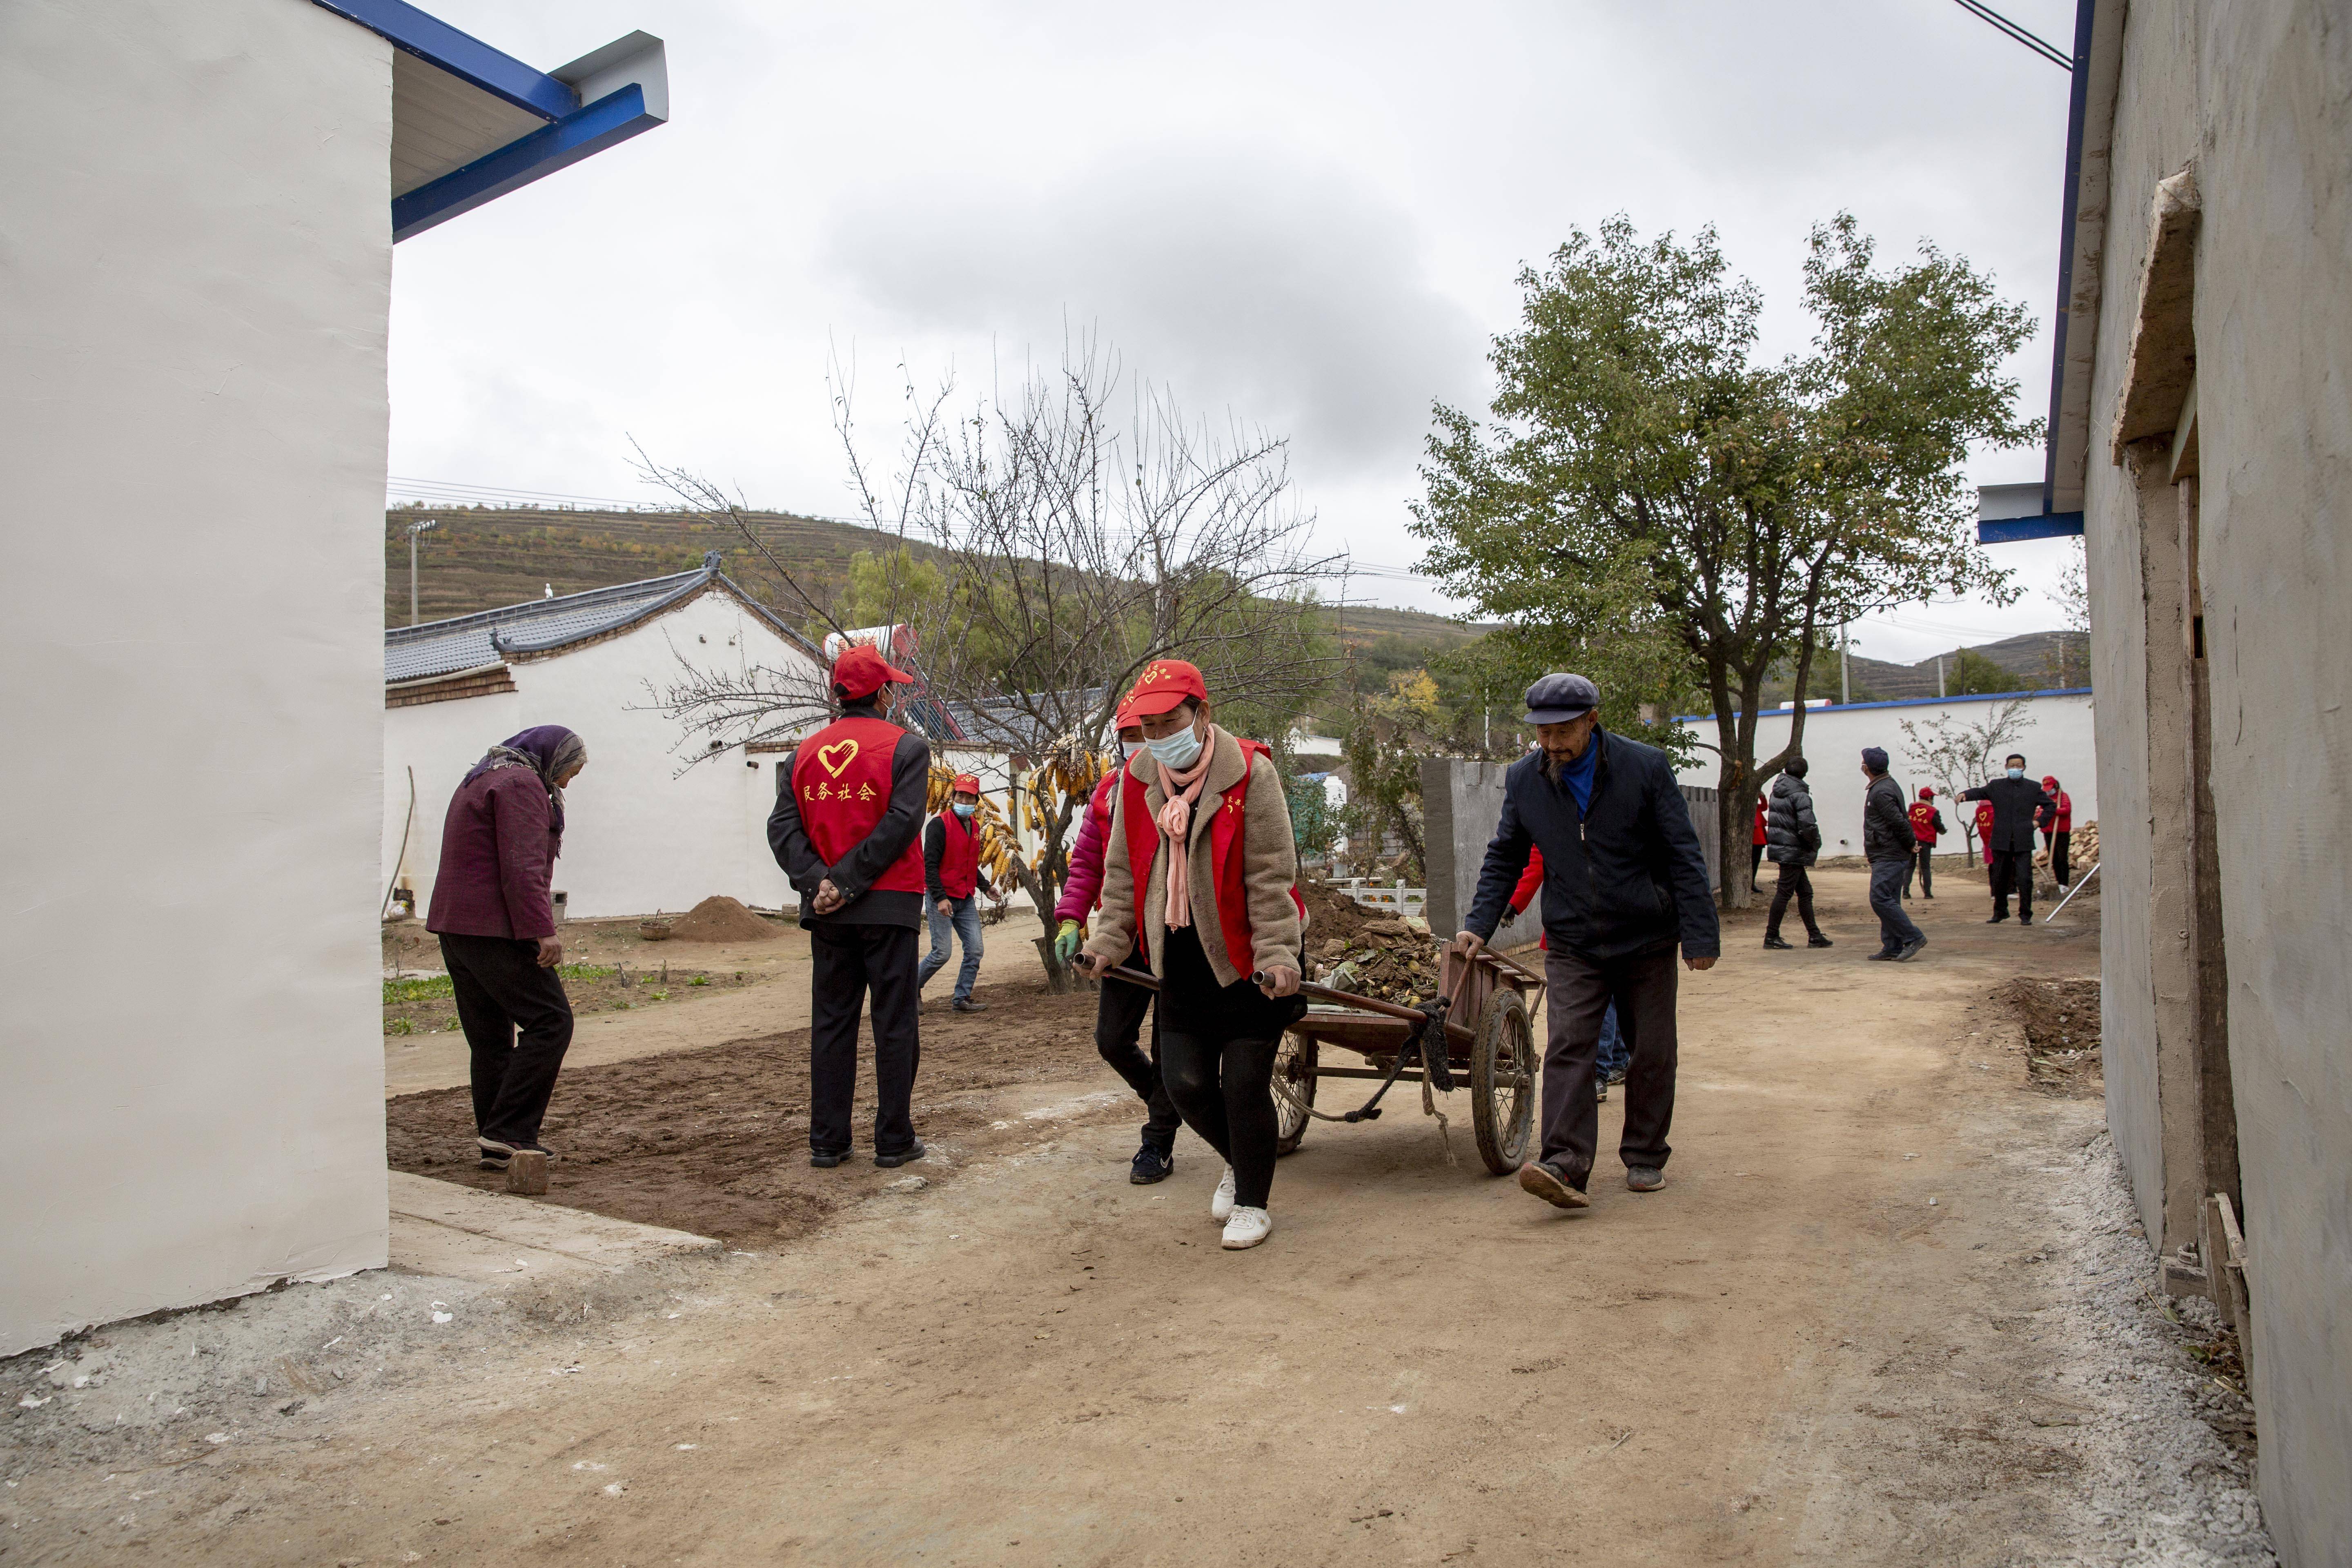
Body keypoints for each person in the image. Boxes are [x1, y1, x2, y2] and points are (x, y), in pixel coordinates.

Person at [1457, 673, 1719, 1210]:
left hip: (1646, 936)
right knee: (1569, 1045)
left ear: (1593, 721)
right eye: (1543, 734)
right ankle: (1565, 1164)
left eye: (1563, 732)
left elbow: (1682, 853)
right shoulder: (1527, 778)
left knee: (1651, 1051)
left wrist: (1699, 934)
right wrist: (1479, 924)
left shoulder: (1643, 767)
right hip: (1575, 939)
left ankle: (1646, 1154)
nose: (1552, 744)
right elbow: (1507, 853)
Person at [1076, 659, 1305, 1251]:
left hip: (1247, 960)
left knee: (1244, 1084)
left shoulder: (1250, 773)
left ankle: (1253, 1202)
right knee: (1185, 1085)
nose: (1157, 736)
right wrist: (1106, 941)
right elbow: (1121, 873)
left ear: (1202, 714)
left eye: (1169, 721)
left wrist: (1279, 954)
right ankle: (1243, 1158)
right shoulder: (1136, 778)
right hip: (1179, 961)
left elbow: (1272, 875)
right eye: (1146, 726)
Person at [768, 644, 933, 1169]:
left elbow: (782, 830)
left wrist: (821, 882)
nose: (895, 695)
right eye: (892, 687)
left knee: (832, 1024)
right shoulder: (908, 748)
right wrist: (849, 881)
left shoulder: (802, 755)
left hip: (828, 913)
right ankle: (893, 1140)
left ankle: (828, 1142)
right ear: (882, 693)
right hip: (889, 907)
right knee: (894, 1023)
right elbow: (903, 823)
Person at [427, 725, 588, 1171]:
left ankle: (497, 1143)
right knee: (551, 1022)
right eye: (570, 772)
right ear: (552, 758)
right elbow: (522, 865)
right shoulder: (521, 784)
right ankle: (511, 1131)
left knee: (492, 1040)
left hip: (456, 928)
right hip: (492, 928)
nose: (568, 783)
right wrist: (543, 930)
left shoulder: (484, 775)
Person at [1054, 703, 1185, 1184]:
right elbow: (1088, 861)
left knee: (1168, 1046)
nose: (1141, 738)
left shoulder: (1191, 783)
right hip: (1124, 938)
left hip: (1175, 935)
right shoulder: (1110, 791)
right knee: (1111, 1040)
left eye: (1150, 729)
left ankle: (1156, 1145)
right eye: (1132, 731)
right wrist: (1070, 917)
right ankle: (1167, 1098)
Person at [1506, 846, 1629, 1094]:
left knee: (1594, 997)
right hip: (1619, 920)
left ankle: (1598, 1073)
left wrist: (1514, 902)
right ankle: (1618, 1061)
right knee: (1611, 993)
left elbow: (1536, 864)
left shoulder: (1556, 815)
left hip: (1581, 927)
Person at [918, 773, 996, 1013]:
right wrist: (940, 898)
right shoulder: (938, 825)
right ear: (953, 796)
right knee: (941, 953)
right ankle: (909, 988)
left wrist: (985, 886)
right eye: (961, 795)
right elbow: (929, 865)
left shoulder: (974, 826)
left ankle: (961, 998)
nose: (965, 800)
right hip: (941, 898)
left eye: (970, 797)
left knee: (975, 950)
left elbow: (969, 863)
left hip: (965, 898)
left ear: (976, 801)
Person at [1960, 754, 2058, 927]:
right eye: (2012, 765)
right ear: (2006, 767)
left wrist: (2038, 822)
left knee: (2024, 879)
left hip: (2023, 840)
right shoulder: (1997, 786)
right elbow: (1980, 792)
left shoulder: (2033, 788)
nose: (2015, 768)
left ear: (2024, 768)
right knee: (1999, 878)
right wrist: (1964, 795)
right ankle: (2000, 912)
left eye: (2018, 765)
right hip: (2001, 840)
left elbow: (2050, 806)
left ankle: (2026, 914)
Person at [1861, 748, 1928, 962]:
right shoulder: (1884, 786)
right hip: (1888, 851)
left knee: (1879, 897)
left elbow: (1899, 822)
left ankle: (1913, 937)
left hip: (1889, 853)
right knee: (1890, 898)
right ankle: (1892, 946)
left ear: (1867, 768)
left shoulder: (1881, 791)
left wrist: (1911, 843)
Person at [1761, 757, 1831, 951]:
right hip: (1793, 850)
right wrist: (1815, 843)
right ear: (1805, 774)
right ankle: (1771, 936)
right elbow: (1807, 825)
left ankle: (1815, 936)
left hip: (1786, 849)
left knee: (1805, 892)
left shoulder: (1779, 791)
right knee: (1784, 893)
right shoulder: (1800, 795)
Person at [1904, 787, 1947, 900]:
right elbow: (1939, 827)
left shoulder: (1912, 807)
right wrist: (1943, 831)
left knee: (1910, 866)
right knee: (1925, 867)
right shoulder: (1933, 811)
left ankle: (1905, 892)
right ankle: (1928, 893)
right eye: (1932, 798)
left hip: (1911, 841)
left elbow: (1907, 821)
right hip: (1926, 842)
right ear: (1929, 798)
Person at [2038, 774, 2074, 888]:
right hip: (2048, 831)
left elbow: (2066, 810)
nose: (2049, 792)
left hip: (2062, 832)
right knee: (2054, 858)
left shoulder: (2063, 796)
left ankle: (2064, 884)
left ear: (2056, 786)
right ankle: (2058, 882)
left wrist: (2052, 810)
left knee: (2062, 858)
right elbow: (2039, 812)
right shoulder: (2044, 798)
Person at [1751, 795, 1768, 893]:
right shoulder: (1745, 809)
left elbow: (1765, 807)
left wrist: (1762, 796)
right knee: (1752, 863)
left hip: (1759, 840)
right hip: (1753, 840)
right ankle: (1750, 883)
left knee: (1756, 863)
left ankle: (1752, 883)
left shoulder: (1757, 807)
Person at [1974, 799, 1996, 869]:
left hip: (1986, 840)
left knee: (1992, 866)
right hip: (1997, 843)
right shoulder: (1994, 809)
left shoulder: (1979, 810)